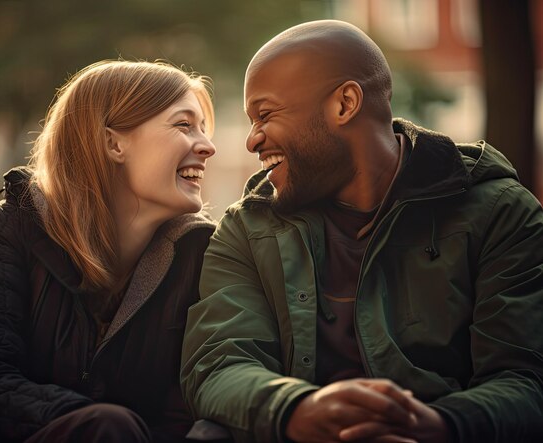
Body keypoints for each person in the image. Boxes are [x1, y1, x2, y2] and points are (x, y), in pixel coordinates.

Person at [181, 20, 543, 443]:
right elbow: (218, 365)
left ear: (345, 104)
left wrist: (440, 425)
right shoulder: (246, 228)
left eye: (265, 114)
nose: (252, 140)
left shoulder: (499, 212)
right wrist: (296, 410)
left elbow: (525, 378)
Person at [0, 59, 216, 442]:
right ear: (113, 143)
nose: (207, 146)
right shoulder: (3, 230)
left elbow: (182, 412)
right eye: (184, 125)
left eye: (205, 129)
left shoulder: (199, 256)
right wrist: (96, 425)